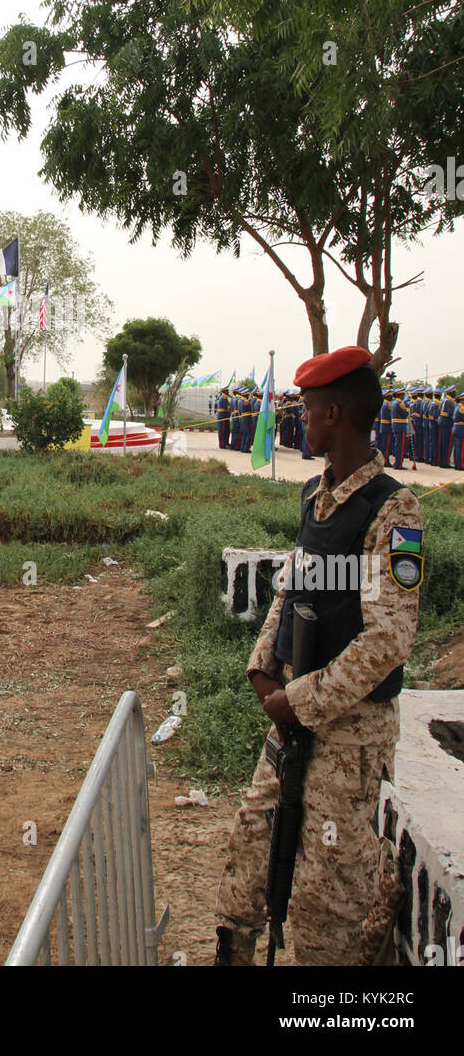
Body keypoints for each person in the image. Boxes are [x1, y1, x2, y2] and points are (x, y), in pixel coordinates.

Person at [213, 346, 423, 966]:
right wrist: (262, 665)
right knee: (251, 856)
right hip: (291, 720)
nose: (300, 419)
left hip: (349, 737)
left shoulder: (396, 510)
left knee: (329, 900)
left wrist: (297, 701)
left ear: (336, 414)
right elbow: (295, 584)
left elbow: (389, 639)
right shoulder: (315, 494)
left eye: (307, 409)